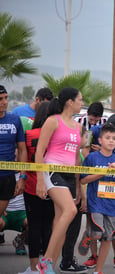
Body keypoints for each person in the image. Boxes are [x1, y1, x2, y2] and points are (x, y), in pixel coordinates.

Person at [35, 87, 83, 273]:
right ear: (69, 102)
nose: (82, 103)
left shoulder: (78, 126)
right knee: (70, 211)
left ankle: (49, 267)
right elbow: (40, 151)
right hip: (53, 172)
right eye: (80, 99)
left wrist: (78, 186)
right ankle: (45, 259)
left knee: (61, 220)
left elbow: (77, 157)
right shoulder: (52, 121)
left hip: (70, 176)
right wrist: (40, 180)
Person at [81, 115, 115, 270]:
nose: (111, 141)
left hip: (112, 205)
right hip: (95, 203)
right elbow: (83, 180)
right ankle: (89, 234)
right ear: (100, 140)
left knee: (107, 239)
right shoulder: (92, 158)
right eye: (108, 138)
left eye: (114, 138)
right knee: (96, 235)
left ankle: (99, 270)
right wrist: (100, 174)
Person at [17, 101, 54, 274]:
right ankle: (46, 267)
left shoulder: (29, 134)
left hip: (32, 183)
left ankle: (33, 268)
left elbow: (23, 158)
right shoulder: (55, 135)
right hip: (53, 185)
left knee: (34, 225)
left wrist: (23, 178)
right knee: (48, 226)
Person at [0, 85, 28, 241]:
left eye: (6, 98)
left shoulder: (14, 120)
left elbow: (22, 149)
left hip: (8, 177)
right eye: (0, 99)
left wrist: (22, 177)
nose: (4, 102)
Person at [59, 126, 88, 274]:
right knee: (70, 230)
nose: (86, 140)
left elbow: (80, 179)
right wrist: (79, 196)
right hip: (69, 194)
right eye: (84, 136)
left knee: (70, 229)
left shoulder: (78, 155)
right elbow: (77, 180)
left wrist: (82, 196)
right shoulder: (71, 155)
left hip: (72, 193)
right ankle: (66, 260)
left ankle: (67, 259)